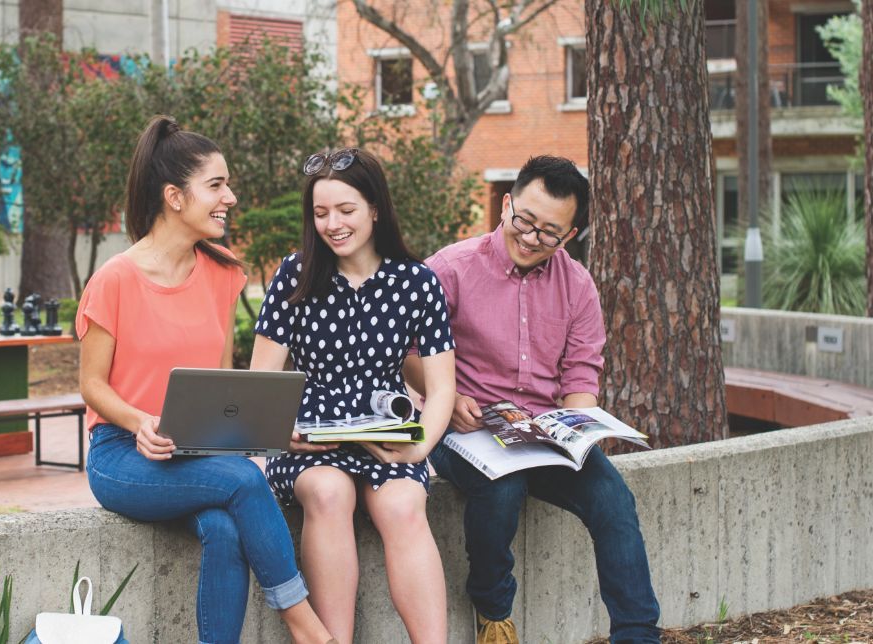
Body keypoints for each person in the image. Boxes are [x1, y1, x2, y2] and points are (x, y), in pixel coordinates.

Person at [77, 115, 335, 644]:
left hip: (194, 450)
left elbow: (218, 385)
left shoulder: (221, 274)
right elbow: (92, 386)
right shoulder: (115, 279)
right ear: (174, 196)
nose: (230, 198)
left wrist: (260, 429)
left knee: (223, 529)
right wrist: (140, 421)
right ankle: (306, 626)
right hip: (123, 455)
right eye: (216, 185)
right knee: (244, 479)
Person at [405, 155, 661, 643]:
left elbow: (582, 375)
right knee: (502, 489)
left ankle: (638, 634)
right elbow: (407, 354)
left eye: (550, 232)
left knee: (614, 501)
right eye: (524, 221)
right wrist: (448, 393)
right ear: (506, 205)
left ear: (570, 234)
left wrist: (581, 429)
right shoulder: (450, 268)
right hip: (463, 426)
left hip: (541, 433)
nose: (530, 237)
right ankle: (492, 608)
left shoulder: (579, 286)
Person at [250, 148, 458, 643]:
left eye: (345, 210)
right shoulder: (294, 275)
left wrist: (420, 447)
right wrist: (285, 432)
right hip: (310, 437)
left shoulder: (416, 281)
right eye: (321, 213)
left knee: (404, 505)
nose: (332, 224)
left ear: (374, 209)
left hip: (387, 429)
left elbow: (443, 385)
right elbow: (260, 382)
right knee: (328, 492)